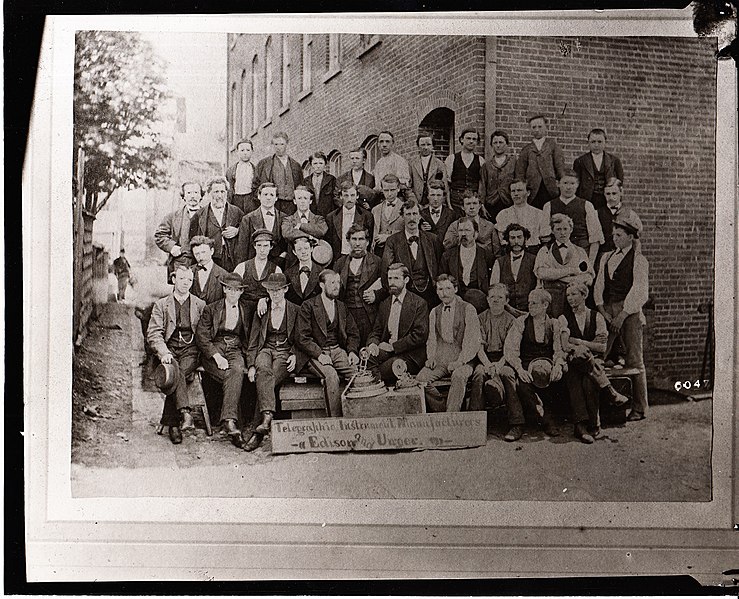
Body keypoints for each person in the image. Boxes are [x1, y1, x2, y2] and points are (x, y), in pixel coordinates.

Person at [594, 212, 649, 421]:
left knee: (635, 359)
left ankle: (640, 408)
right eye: (614, 235)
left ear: (630, 237)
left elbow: (639, 291)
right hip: (608, 311)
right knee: (600, 353)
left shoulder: (639, 260)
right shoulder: (606, 257)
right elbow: (599, 285)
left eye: (619, 235)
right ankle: (600, 409)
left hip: (630, 313)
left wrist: (623, 315)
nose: (615, 238)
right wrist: (602, 310)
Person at [244, 273, 307, 451]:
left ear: (286, 289)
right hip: (265, 349)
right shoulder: (263, 308)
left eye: (278, 290)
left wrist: (295, 354)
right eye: (271, 290)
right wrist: (250, 365)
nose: (275, 294)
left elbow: (302, 338)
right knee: (263, 370)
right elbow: (254, 340)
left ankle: (259, 431)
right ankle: (267, 417)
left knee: (267, 378)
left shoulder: (296, 309)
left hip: (284, 353)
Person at [559, 282, 628, 444]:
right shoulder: (563, 318)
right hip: (571, 359)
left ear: (584, 295)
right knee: (578, 360)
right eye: (568, 295)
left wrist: (579, 342)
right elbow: (564, 345)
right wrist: (581, 346)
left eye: (574, 294)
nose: (570, 298)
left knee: (587, 381)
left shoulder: (597, 317)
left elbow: (602, 346)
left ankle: (588, 425)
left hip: (594, 360)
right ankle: (608, 392)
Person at [147, 265, 206, 444]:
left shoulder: (199, 305)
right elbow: (154, 333)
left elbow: (204, 334)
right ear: (174, 280)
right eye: (182, 279)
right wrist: (164, 352)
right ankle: (184, 414)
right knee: (174, 368)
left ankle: (172, 422)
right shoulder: (162, 304)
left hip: (191, 350)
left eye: (189, 279)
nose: (186, 283)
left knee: (177, 371)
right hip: (170, 349)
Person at [500, 289, 567, 441]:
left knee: (555, 379)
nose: (530, 306)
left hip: (547, 366)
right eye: (529, 303)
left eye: (534, 303)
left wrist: (558, 365)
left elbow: (559, 350)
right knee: (521, 383)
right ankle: (522, 423)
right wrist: (519, 369)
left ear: (545, 305)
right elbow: (510, 350)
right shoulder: (521, 322)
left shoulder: (554, 324)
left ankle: (548, 418)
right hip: (525, 365)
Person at [195, 272, 252, 447]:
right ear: (224, 290)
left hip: (235, 348)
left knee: (235, 370)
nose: (233, 293)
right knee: (231, 375)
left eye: (237, 290)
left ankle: (228, 420)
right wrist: (217, 356)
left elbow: (249, 337)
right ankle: (231, 422)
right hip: (215, 348)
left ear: (241, 292)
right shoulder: (211, 309)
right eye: (229, 289)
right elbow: (202, 337)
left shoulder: (247, 309)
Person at [295, 269, 360, 417]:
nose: (337, 286)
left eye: (338, 282)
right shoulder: (309, 306)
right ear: (322, 285)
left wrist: (352, 351)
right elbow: (302, 337)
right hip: (316, 353)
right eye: (332, 283)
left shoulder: (341, 306)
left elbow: (353, 333)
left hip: (337, 351)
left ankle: (357, 418)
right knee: (331, 376)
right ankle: (335, 422)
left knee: (357, 375)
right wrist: (319, 354)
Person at [416, 274, 482, 412]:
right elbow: (432, 339)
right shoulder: (434, 311)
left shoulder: (468, 309)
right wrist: (431, 357)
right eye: (440, 289)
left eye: (448, 288)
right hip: (442, 359)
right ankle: (442, 410)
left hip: (464, 359)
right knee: (421, 379)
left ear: (455, 289)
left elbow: (473, 341)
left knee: (458, 376)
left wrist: (460, 361)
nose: (444, 293)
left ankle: (452, 416)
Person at [366, 263, 428, 384]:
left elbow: (420, 335)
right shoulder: (385, 304)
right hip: (388, 351)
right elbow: (376, 331)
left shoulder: (419, 304)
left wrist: (393, 347)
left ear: (406, 280)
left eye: (396, 278)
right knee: (367, 355)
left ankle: (377, 390)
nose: (392, 282)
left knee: (385, 369)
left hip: (410, 354)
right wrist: (373, 344)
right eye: (390, 278)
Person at [381, 199, 443, 307]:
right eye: (408, 214)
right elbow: (386, 271)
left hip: (430, 295)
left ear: (420, 216)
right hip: (405, 294)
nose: (412, 218)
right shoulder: (393, 241)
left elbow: (440, 267)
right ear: (402, 217)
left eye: (415, 213)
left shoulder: (433, 239)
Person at [333, 224, 385, 347]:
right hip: (347, 313)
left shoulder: (377, 262)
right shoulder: (340, 263)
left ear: (367, 242)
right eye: (354, 239)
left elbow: (388, 287)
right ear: (348, 241)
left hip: (368, 313)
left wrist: (376, 295)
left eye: (361, 239)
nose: (357, 243)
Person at [534, 213, 594, 318]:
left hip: (573, 301)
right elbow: (542, 273)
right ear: (552, 231)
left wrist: (557, 277)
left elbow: (588, 277)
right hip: (552, 300)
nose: (562, 233)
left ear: (571, 229)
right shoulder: (545, 250)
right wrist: (571, 271)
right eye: (558, 229)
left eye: (565, 229)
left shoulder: (579, 251)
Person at [541, 170, 604, 266]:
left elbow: (595, 239)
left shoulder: (587, 205)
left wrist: (589, 263)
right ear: (558, 184)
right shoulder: (549, 206)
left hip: (581, 254)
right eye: (565, 183)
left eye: (572, 183)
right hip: (556, 257)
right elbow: (545, 238)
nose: (568, 187)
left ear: (577, 184)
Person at [469, 284, 516, 411]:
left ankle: (516, 421)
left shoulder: (511, 321)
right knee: (478, 373)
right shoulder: (480, 319)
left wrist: (499, 365)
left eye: (500, 297)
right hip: (485, 358)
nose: (495, 300)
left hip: (505, 359)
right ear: (488, 299)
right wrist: (488, 365)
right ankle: (476, 417)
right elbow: (479, 347)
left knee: (507, 373)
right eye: (492, 297)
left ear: (506, 301)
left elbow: (510, 349)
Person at [439, 217, 495, 313]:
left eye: (467, 230)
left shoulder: (486, 255)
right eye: (460, 230)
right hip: (455, 302)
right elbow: (441, 280)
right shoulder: (448, 256)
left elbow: (492, 282)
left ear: (476, 234)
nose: (463, 234)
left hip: (480, 305)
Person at [189, 176, 244, 272]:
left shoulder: (237, 212)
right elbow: (193, 242)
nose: (219, 196)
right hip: (210, 260)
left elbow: (247, 232)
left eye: (222, 192)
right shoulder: (199, 215)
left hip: (232, 261)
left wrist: (237, 231)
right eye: (216, 192)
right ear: (209, 193)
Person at [154, 181, 203, 281]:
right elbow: (159, 235)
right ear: (183, 196)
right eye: (189, 193)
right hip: (180, 261)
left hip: (202, 261)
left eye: (196, 193)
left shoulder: (208, 215)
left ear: (201, 195)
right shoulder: (173, 216)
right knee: (181, 292)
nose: (192, 196)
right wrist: (172, 247)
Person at [515, 114, 566, 209]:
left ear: (546, 127)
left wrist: (561, 187)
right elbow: (520, 173)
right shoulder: (526, 150)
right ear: (530, 129)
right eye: (533, 127)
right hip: (533, 190)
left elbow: (560, 169)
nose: (537, 130)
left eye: (540, 126)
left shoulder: (553, 146)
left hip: (550, 190)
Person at [233, 229, 282, 323]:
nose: (262, 250)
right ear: (254, 246)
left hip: (266, 311)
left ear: (271, 247)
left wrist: (265, 299)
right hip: (243, 311)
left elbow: (279, 294)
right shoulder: (242, 267)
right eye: (259, 245)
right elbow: (233, 292)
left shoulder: (276, 270)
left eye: (266, 246)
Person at [235, 182, 287, 266]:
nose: (268, 198)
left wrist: (282, 257)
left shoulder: (284, 218)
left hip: (278, 264)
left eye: (271, 195)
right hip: (254, 264)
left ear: (276, 198)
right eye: (265, 194)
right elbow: (242, 250)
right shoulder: (248, 219)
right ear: (259, 196)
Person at [490, 223, 537, 315]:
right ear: (508, 240)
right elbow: (494, 289)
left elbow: (539, 288)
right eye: (512, 238)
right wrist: (507, 307)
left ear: (525, 239)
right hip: (506, 311)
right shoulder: (499, 262)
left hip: (529, 311)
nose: (516, 241)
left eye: (519, 237)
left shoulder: (534, 260)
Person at [573, 128, 624, 211]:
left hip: (607, 199)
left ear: (605, 143)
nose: (596, 145)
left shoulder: (614, 161)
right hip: (588, 199)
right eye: (593, 142)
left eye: (599, 142)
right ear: (588, 143)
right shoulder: (580, 161)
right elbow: (577, 184)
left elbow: (620, 183)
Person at [254, 131, 304, 215]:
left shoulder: (295, 165)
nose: (278, 147)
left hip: (291, 205)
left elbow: (300, 185)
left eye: (281, 144)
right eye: (276, 144)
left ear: (287, 144)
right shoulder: (264, 164)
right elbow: (255, 185)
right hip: (273, 204)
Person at [443, 191, 502, 256]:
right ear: (462, 207)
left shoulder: (489, 226)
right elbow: (447, 245)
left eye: (475, 203)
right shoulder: (455, 225)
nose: (472, 207)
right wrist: (463, 236)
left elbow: (497, 252)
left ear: (479, 206)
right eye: (468, 204)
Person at [326, 181, 375, 259]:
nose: (349, 199)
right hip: (338, 259)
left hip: (360, 258)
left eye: (352, 195)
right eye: (346, 195)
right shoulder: (331, 217)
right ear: (341, 196)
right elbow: (329, 242)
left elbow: (369, 240)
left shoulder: (367, 216)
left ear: (357, 196)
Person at [495, 179, 546, 253]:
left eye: (519, 190)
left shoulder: (539, 214)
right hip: (511, 252)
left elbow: (544, 239)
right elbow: (503, 241)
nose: (516, 194)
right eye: (513, 191)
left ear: (528, 193)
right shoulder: (503, 214)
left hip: (533, 252)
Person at [280, 185, 329, 262]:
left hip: (315, 261)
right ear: (294, 201)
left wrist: (300, 226)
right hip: (293, 261)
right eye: (299, 198)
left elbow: (321, 231)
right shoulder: (288, 219)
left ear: (310, 201)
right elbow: (286, 233)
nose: (302, 201)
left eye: (305, 198)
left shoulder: (319, 219)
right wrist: (310, 237)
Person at [596, 177, 643, 257]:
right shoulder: (597, 213)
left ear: (621, 192)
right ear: (604, 194)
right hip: (603, 258)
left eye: (614, 193)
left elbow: (636, 241)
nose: (611, 197)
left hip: (623, 259)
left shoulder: (630, 214)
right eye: (608, 194)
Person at [444, 128, 486, 213]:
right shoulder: (451, 159)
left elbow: (482, 185)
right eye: (468, 138)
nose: (471, 141)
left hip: (472, 202)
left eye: (474, 139)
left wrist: (481, 204)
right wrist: (449, 205)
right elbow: (446, 184)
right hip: (455, 202)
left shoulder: (481, 161)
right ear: (462, 139)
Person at [479, 130, 517, 223]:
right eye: (495, 143)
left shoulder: (514, 163)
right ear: (492, 145)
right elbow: (482, 186)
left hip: (509, 203)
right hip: (491, 204)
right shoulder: (486, 166)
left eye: (501, 142)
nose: (498, 145)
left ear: (507, 144)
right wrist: (482, 205)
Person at [409, 132, 448, 205]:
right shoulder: (412, 164)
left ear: (433, 146)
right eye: (422, 145)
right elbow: (408, 186)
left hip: (433, 203)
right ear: (418, 146)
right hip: (417, 202)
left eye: (428, 144)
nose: (425, 147)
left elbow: (443, 186)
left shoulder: (439, 164)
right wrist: (414, 202)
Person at [371, 174, 405, 257]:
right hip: (379, 253)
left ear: (398, 189)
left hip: (399, 252)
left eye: (392, 190)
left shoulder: (405, 208)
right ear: (382, 190)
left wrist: (388, 237)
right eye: (386, 190)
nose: (389, 194)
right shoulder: (375, 210)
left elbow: (410, 232)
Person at [284, 234, 323, 305]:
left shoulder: (321, 272)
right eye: (299, 249)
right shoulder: (288, 273)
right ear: (294, 252)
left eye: (306, 248)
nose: (303, 252)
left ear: (311, 249)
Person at [189, 235, 228, 305]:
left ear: (212, 251)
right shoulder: (189, 272)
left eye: (203, 252)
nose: (200, 257)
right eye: (197, 254)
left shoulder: (224, 275)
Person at [301, 151, 339, 217]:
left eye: (321, 163)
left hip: (327, 216)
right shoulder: (306, 181)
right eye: (315, 163)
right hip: (311, 217)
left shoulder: (331, 180)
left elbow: (336, 199)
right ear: (311, 165)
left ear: (325, 164)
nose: (318, 166)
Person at [226, 139, 257, 213]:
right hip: (236, 200)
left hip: (251, 200)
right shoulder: (231, 170)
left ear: (252, 151)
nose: (245, 153)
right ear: (237, 152)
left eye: (248, 150)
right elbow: (228, 189)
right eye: (242, 150)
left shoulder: (256, 170)